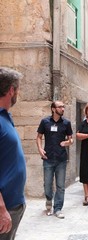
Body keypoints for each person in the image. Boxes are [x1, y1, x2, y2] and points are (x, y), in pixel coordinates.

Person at [0, 67, 26, 239]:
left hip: (13, 203)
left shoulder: (5, 117)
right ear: (11, 90)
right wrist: (1, 208)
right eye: (17, 89)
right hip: (4, 207)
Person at [36, 101, 73, 219]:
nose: (62, 109)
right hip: (48, 158)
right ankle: (48, 201)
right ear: (53, 109)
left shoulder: (66, 123)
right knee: (47, 184)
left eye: (63, 107)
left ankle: (58, 208)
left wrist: (67, 142)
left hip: (61, 158)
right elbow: (39, 137)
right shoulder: (45, 122)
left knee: (60, 186)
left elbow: (71, 140)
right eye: (60, 107)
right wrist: (40, 149)